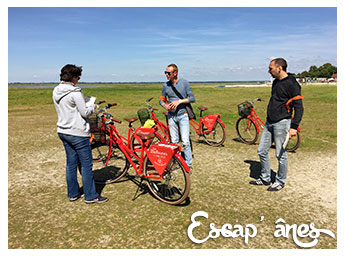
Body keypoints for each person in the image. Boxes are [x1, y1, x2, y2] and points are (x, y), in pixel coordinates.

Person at [53, 64, 108, 203]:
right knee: (86, 165)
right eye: (78, 77)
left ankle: (73, 193)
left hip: (63, 131)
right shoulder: (75, 92)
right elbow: (84, 113)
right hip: (78, 132)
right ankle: (91, 196)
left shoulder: (56, 90)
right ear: (73, 77)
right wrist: (92, 106)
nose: (78, 80)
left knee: (70, 164)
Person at [250, 58, 304, 191]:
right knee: (261, 150)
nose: (268, 71)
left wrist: (294, 127)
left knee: (280, 154)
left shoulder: (292, 84)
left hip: (282, 122)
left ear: (279, 68)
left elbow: (299, 107)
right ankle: (265, 178)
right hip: (269, 122)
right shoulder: (275, 82)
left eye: (270, 68)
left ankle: (280, 181)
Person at [159, 64, 195, 169]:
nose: (166, 75)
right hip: (171, 117)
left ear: (175, 73)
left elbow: (192, 98)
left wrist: (179, 101)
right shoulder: (165, 86)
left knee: (185, 141)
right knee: (174, 142)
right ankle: (176, 162)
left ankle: (188, 164)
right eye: (165, 72)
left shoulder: (184, 83)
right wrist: (165, 106)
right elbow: (161, 99)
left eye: (168, 73)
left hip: (183, 115)